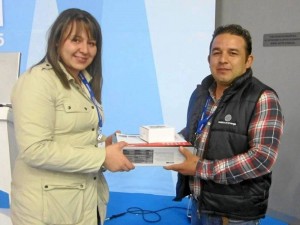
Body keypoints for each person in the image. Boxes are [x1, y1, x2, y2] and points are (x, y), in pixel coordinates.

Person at [10, 8, 134, 225]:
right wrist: (102, 157)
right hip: (48, 211)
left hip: (82, 202)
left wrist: (104, 146)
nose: (84, 50)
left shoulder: (85, 82)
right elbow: (34, 150)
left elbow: (75, 138)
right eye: (76, 40)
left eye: (92, 43)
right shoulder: (37, 82)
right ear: (57, 41)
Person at [164, 24, 284, 225]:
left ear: (248, 61)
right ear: (209, 58)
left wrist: (200, 168)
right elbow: (196, 132)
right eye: (216, 52)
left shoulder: (263, 98)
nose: (223, 60)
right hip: (198, 205)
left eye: (233, 53)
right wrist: (161, 143)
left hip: (233, 215)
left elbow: (262, 159)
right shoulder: (201, 93)